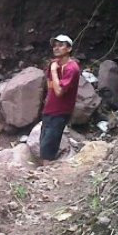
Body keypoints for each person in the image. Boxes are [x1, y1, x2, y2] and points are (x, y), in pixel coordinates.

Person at [39, 34, 80, 166]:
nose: (56, 48)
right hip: (49, 109)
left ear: (69, 49)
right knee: (44, 141)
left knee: (49, 144)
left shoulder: (72, 68)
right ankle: (44, 171)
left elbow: (59, 91)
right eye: (55, 45)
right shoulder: (54, 65)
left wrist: (54, 71)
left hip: (60, 111)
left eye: (61, 45)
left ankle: (45, 175)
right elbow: (50, 86)